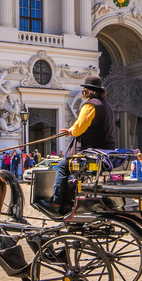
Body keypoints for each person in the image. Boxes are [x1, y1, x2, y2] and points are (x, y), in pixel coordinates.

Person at [51, 76, 115, 211]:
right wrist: (72, 131)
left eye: (84, 89)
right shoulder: (106, 105)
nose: (83, 91)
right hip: (105, 151)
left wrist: (72, 131)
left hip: (90, 152)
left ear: (89, 91)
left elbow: (79, 128)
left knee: (62, 167)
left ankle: (56, 202)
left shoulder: (91, 105)